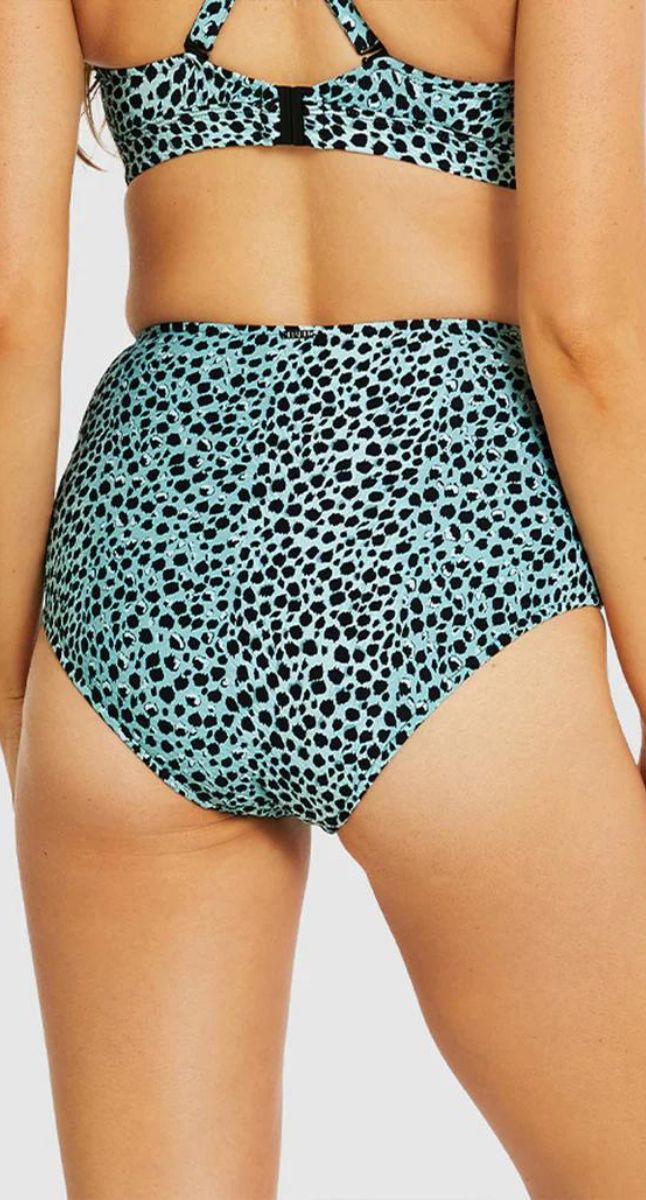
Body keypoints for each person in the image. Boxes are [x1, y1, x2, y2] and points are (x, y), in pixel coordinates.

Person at [2, 0, 646, 1196]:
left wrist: (19, 701)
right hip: (444, 547)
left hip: (145, 557)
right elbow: (586, 335)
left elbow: (7, 318)